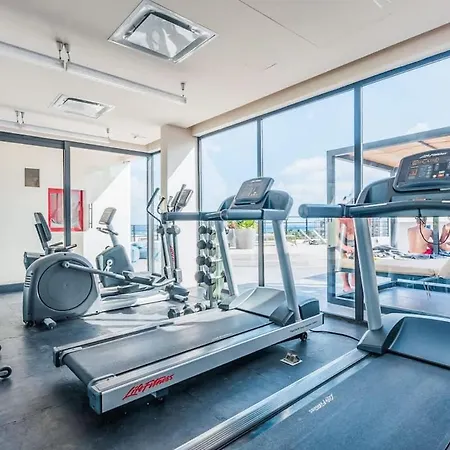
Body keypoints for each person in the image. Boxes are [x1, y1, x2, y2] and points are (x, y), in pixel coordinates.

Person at [338, 196, 355, 293]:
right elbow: (335, 239)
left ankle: (354, 280)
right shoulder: (339, 219)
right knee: (344, 259)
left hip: (353, 238)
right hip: (342, 240)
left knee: (356, 259)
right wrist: (344, 247)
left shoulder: (356, 217)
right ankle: (345, 284)